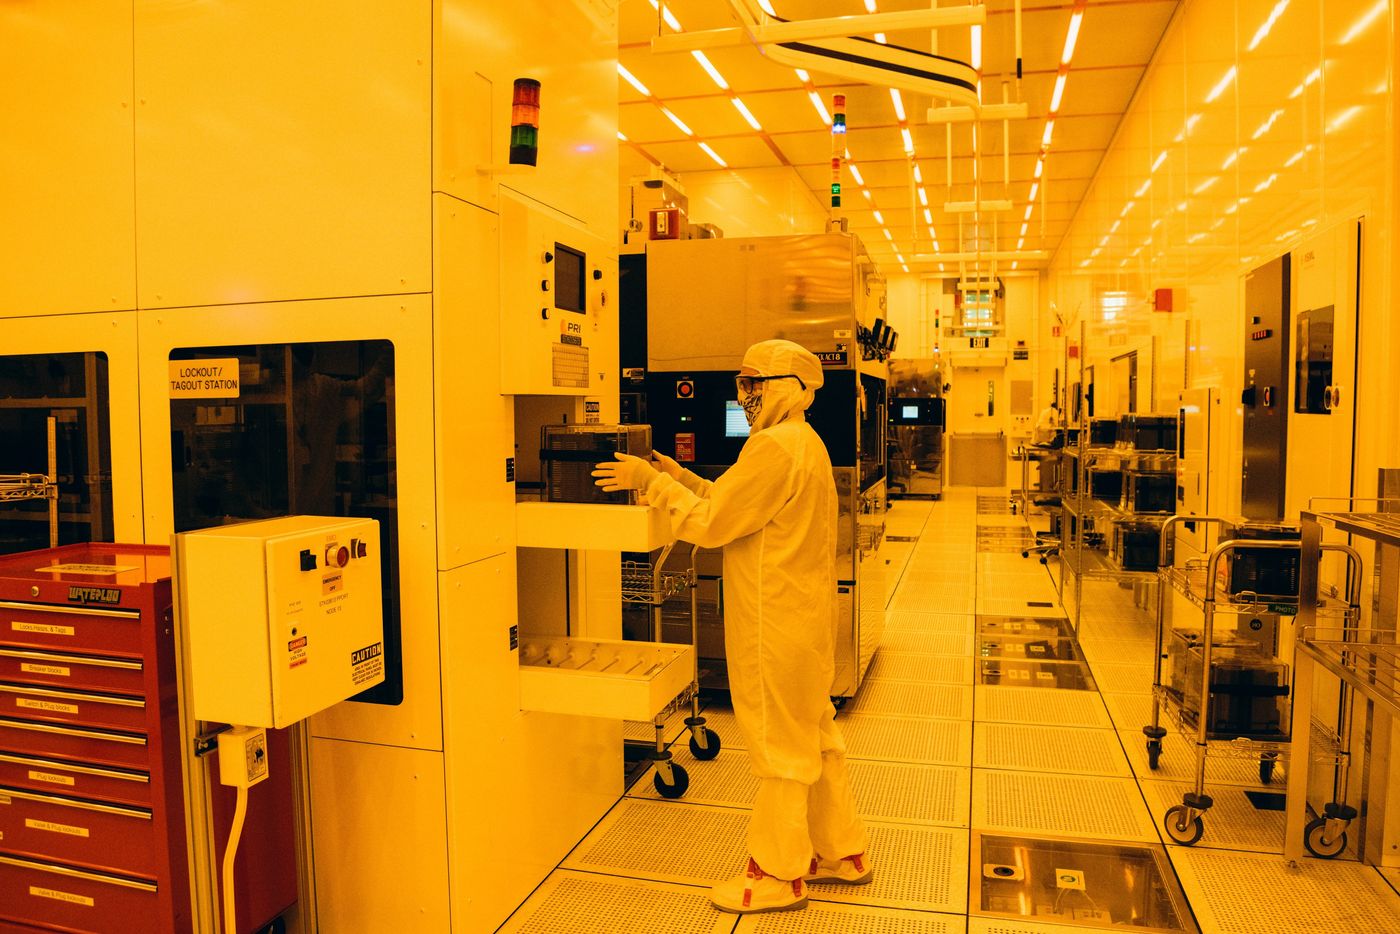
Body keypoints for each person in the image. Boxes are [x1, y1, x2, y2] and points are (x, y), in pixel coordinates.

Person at [593, 339, 870, 915]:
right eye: (742, 384)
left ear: (790, 386)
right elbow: (736, 502)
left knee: (779, 747)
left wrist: (650, 484)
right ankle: (841, 851)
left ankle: (777, 873)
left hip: (776, 623)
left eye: (755, 384)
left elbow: (714, 524)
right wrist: (678, 475)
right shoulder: (803, 443)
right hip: (806, 621)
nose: (745, 395)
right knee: (814, 735)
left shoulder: (774, 445)